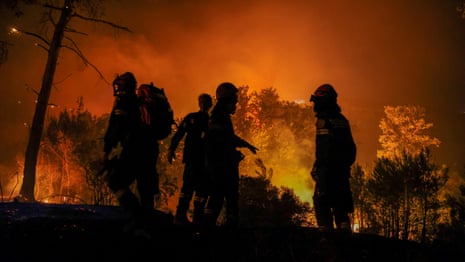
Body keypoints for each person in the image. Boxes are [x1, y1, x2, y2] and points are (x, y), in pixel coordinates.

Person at [101, 72, 159, 238]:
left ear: (126, 86)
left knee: (116, 180)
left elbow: (115, 128)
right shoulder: (140, 103)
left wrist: (107, 150)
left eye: (120, 85)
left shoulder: (123, 103)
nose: (117, 88)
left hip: (135, 149)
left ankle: (137, 215)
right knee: (145, 188)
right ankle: (146, 228)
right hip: (150, 149)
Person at [202, 82, 258, 230]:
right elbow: (223, 140)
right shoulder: (220, 117)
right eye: (234, 100)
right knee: (229, 198)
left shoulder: (219, 115)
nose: (236, 103)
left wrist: (244, 145)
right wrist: (234, 153)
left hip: (218, 165)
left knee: (217, 197)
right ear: (226, 100)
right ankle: (227, 232)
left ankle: (207, 229)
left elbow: (226, 138)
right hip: (223, 167)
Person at [309, 83, 357, 235]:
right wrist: (345, 165)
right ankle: (345, 240)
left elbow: (323, 149)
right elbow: (352, 148)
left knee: (321, 202)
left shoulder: (324, 120)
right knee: (340, 206)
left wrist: (318, 168)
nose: (315, 104)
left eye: (316, 100)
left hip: (328, 171)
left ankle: (326, 238)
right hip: (342, 172)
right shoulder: (343, 120)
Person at [167, 93, 213, 228]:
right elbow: (179, 133)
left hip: (201, 162)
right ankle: (182, 218)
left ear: (209, 105)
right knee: (190, 189)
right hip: (195, 161)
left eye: (206, 102)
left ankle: (194, 221)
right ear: (200, 103)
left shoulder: (209, 121)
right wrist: (171, 149)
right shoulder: (195, 118)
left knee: (199, 192)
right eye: (202, 101)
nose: (204, 104)